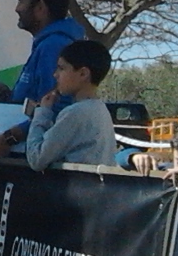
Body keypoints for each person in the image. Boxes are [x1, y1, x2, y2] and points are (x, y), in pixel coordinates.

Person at [0, 0, 85, 157]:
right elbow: (38, 104)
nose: (17, 9)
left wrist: (8, 139)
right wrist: (10, 99)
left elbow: (55, 110)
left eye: (21, 1)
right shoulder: (46, 44)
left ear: (40, 8)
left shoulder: (53, 46)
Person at [23, 39, 117, 170]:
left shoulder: (75, 113)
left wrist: (42, 112)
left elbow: (37, 158)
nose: (55, 75)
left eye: (62, 68)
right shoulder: (100, 109)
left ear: (83, 73)